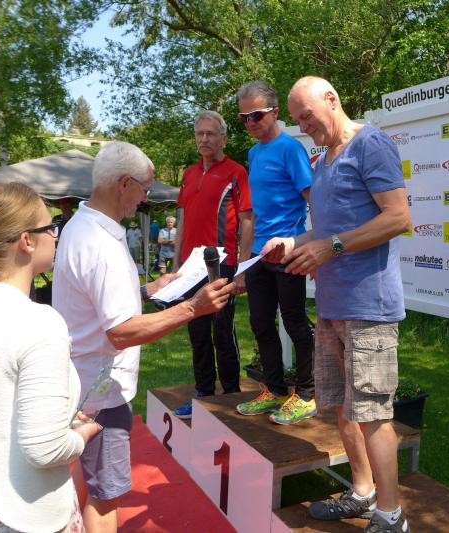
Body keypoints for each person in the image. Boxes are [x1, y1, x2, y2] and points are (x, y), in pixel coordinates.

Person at [53, 141, 233, 532]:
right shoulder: (101, 243)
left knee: (88, 483)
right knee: (106, 496)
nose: (145, 198)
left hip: (83, 380)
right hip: (102, 389)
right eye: (144, 188)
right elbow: (120, 332)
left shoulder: (80, 226)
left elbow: (96, 300)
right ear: (124, 183)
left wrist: (150, 290)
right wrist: (192, 307)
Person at [262, 76, 411, 533]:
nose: (304, 126)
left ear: (332, 99)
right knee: (344, 409)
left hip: (369, 307)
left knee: (372, 413)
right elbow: (325, 231)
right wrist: (293, 242)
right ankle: (363, 493)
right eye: (297, 120)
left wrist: (331, 247)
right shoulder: (322, 161)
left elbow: (399, 217)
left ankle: (392, 515)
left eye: (307, 116)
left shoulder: (371, 144)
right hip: (332, 305)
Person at [0, 182, 102, 532]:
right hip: (22, 515)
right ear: (27, 241)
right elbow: (45, 448)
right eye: (51, 226)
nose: (55, 235)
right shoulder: (38, 322)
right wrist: (83, 434)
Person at [235, 80, 317, 426]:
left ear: (275, 112)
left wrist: (315, 247)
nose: (250, 123)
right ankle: (274, 390)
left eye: (256, 115)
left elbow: (315, 200)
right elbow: (254, 213)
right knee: (260, 323)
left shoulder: (291, 149)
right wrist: (244, 261)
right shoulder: (254, 154)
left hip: (286, 253)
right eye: (244, 118)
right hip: (258, 255)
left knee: (295, 322)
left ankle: (308, 394)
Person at [171, 110, 254, 419]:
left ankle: (231, 395)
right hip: (189, 267)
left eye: (210, 133)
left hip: (221, 264)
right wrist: (176, 264)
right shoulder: (189, 174)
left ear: (223, 138)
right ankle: (204, 393)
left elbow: (248, 221)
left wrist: (242, 269)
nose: (204, 139)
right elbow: (182, 220)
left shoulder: (236, 172)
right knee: (198, 333)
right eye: (200, 134)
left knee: (222, 333)